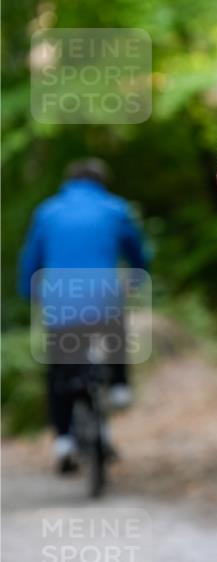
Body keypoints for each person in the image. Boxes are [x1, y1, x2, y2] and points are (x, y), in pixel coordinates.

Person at [18, 158, 149, 472]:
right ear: (101, 182)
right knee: (115, 326)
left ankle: (63, 439)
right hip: (103, 296)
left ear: (69, 181)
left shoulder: (48, 211)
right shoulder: (115, 208)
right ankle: (118, 385)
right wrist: (139, 276)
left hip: (61, 300)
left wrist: (29, 292)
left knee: (59, 367)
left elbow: (31, 260)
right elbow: (136, 252)